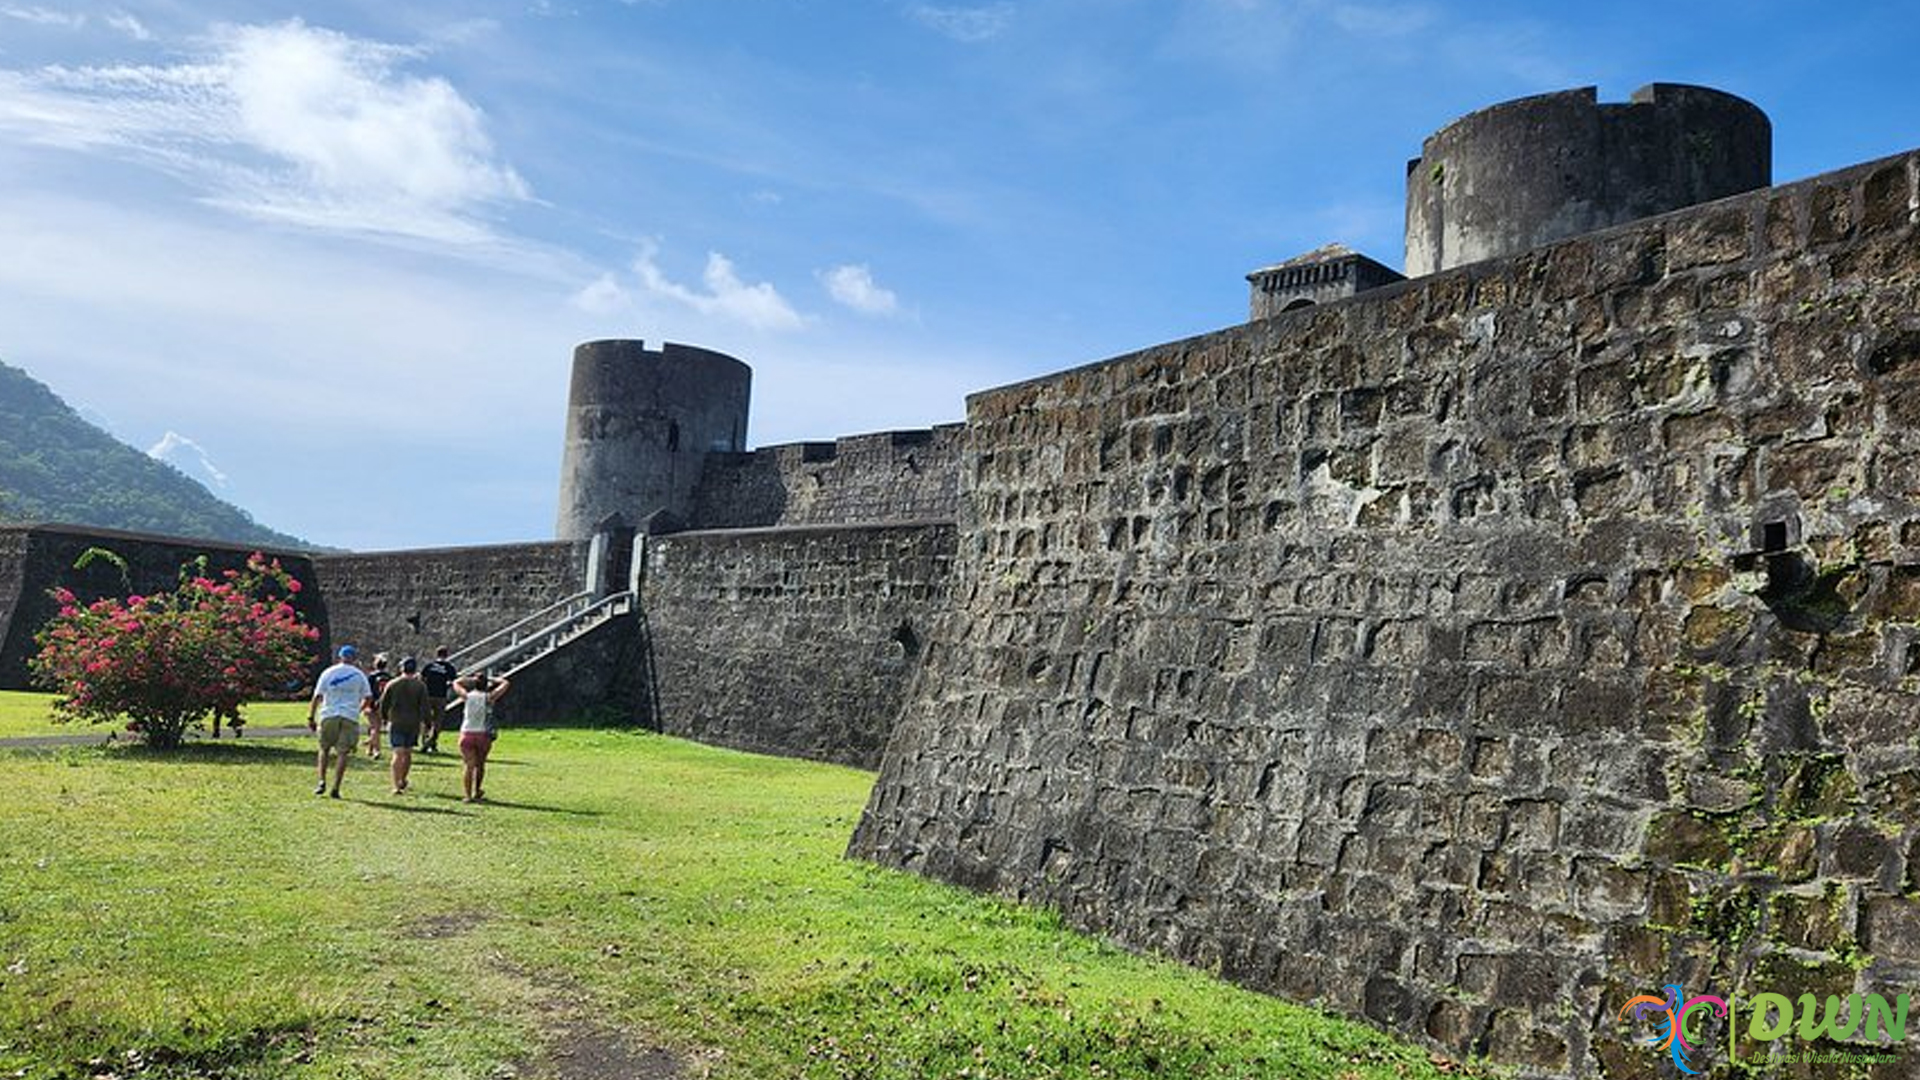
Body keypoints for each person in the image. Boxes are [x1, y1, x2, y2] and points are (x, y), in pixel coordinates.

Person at [308, 645, 372, 799]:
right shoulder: (359, 675)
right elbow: (368, 697)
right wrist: (358, 709)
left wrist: (311, 717)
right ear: (354, 658)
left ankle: (322, 781)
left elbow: (317, 696)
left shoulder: (328, 672)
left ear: (340, 657)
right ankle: (336, 786)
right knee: (343, 753)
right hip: (349, 716)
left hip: (329, 714)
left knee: (324, 749)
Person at [377, 657, 434, 795]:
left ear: (401, 668)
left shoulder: (392, 684)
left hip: (396, 721)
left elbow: (383, 704)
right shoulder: (420, 686)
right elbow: (425, 707)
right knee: (408, 753)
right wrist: (428, 723)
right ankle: (403, 779)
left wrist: (384, 718)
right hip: (413, 723)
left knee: (397, 753)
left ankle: (395, 785)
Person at [453, 671, 510, 803]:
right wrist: (492, 678)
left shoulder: (467, 696)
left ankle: (467, 795)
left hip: (467, 732)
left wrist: (470, 679)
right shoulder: (489, 697)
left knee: (469, 765)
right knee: (480, 764)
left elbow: (456, 683)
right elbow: (505, 683)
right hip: (483, 734)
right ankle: (477, 789)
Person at [419, 646, 459, 753]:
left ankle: (424, 741)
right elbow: (453, 681)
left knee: (426, 720)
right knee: (438, 721)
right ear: (446, 655)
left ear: (436, 654)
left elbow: (421, 679)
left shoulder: (429, 666)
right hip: (441, 696)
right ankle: (432, 743)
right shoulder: (449, 667)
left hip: (428, 696)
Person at [364, 653, 393, 758]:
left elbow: (367, 692)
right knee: (375, 727)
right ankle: (370, 749)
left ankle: (376, 750)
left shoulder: (371, 676)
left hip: (372, 704)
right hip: (384, 704)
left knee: (374, 728)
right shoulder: (389, 677)